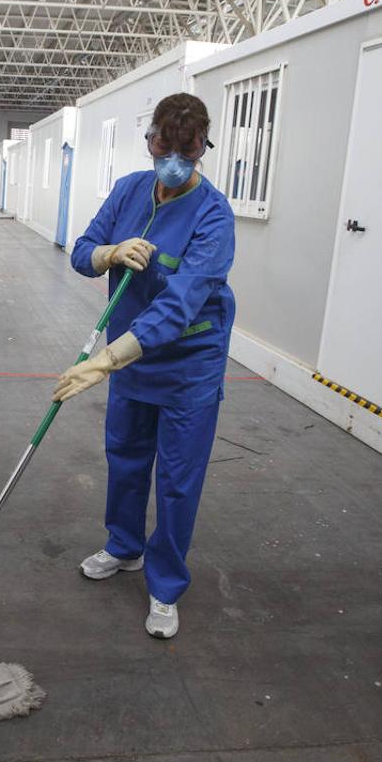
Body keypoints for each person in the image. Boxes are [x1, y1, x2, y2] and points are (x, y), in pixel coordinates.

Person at [54, 93, 236, 639]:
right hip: (130, 362)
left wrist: (106, 360)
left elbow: (180, 306)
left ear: (203, 149)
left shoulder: (214, 215)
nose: (175, 161)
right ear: (151, 140)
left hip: (187, 367)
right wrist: (108, 253)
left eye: (188, 151)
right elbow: (81, 250)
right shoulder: (130, 190)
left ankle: (165, 584)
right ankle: (124, 547)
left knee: (178, 479)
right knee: (127, 458)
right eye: (165, 147)